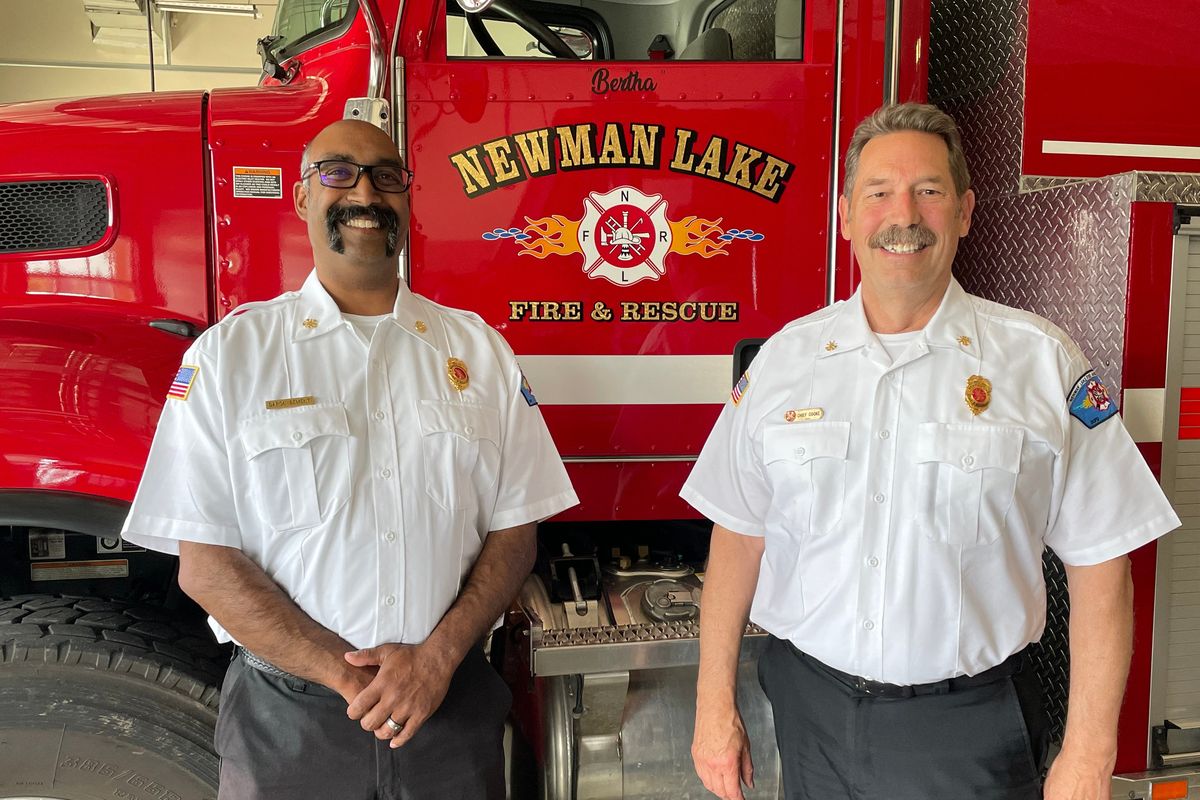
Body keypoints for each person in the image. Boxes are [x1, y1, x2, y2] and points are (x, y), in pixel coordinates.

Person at [682, 103, 1180, 800]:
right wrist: (713, 708)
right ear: (846, 215)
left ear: (966, 211)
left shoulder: (1041, 363)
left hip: (967, 731)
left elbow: (1104, 564)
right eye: (879, 192)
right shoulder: (784, 362)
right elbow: (738, 536)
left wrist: (1090, 755)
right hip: (809, 712)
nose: (903, 214)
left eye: (930, 191)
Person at [121, 118, 578, 799]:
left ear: (407, 197)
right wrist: (344, 675)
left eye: (386, 176)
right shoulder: (230, 359)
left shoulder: (479, 353)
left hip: (449, 713)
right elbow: (206, 564)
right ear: (304, 197)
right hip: (290, 726)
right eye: (338, 172)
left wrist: (436, 660)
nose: (366, 192)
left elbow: (515, 533)